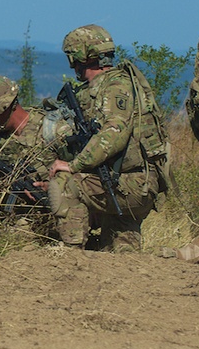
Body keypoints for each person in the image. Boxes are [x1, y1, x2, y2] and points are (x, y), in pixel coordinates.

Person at [47, 25, 171, 251]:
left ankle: (69, 256)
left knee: (65, 184)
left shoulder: (115, 86)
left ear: (80, 56)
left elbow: (114, 134)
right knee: (121, 255)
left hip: (130, 184)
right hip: (130, 183)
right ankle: (183, 258)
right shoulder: (104, 87)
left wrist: (74, 166)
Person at [0, 76, 76, 214]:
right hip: (9, 217)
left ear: (5, 107)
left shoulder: (53, 130)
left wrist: (51, 187)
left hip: (55, 212)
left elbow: (82, 176)